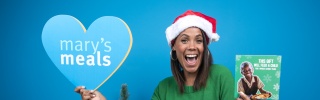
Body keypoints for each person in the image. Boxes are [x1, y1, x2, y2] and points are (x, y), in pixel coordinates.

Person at [75, 10, 234, 100]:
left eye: (198, 40)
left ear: (205, 48)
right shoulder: (164, 89)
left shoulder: (221, 76)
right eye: (184, 40)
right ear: (174, 49)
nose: (192, 46)